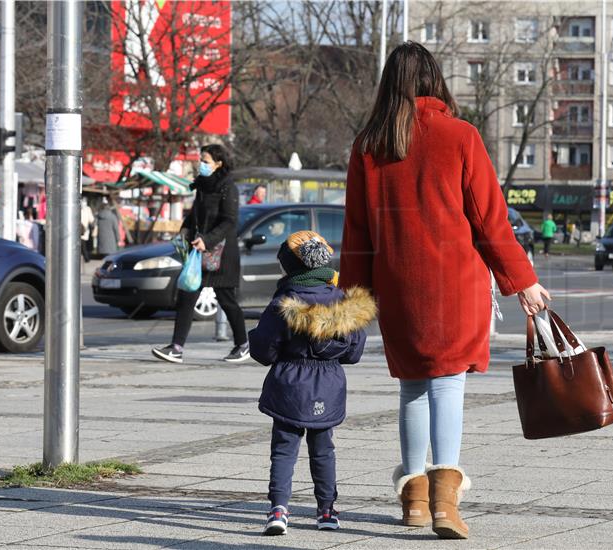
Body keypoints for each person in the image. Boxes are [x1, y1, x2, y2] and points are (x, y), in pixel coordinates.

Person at [339, 42, 549, 540]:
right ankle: (444, 504)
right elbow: (489, 219)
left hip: (396, 285)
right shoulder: (459, 135)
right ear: (435, 80)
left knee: (412, 385)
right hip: (454, 284)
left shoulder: (369, 144)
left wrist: (353, 297)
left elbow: (356, 231)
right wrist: (522, 280)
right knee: (448, 384)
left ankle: (413, 499)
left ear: (390, 83)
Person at [249, 230, 375, 536]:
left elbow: (263, 350)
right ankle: (327, 511)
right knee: (323, 449)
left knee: (283, 449)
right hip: (329, 383)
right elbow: (354, 352)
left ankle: (279, 510)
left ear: (290, 267)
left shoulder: (284, 300)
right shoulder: (344, 302)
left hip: (290, 383)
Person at [152, 144, 250, 364]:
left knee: (227, 300)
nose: (201, 164)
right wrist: (184, 233)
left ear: (218, 164)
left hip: (221, 254)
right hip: (199, 251)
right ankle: (176, 348)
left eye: (205, 161)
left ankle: (243, 344)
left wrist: (208, 239)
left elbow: (229, 220)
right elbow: (194, 215)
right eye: (201, 160)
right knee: (187, 296)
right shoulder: (202, 186)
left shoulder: (228, 187)